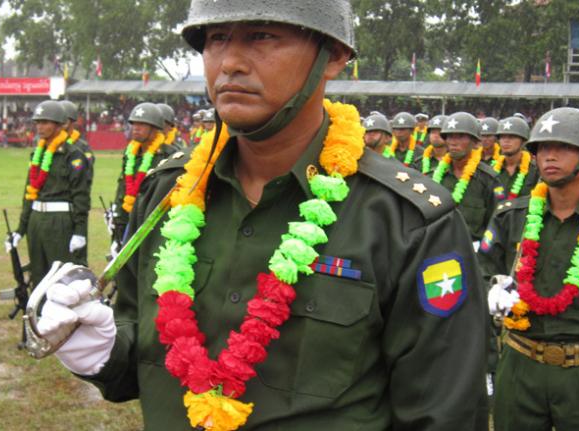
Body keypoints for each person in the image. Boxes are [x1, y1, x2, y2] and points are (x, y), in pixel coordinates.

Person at [35, 1, 488, 429]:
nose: (230, 62)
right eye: (216, 39)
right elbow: (143, 355)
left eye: (262, 35)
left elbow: (442, 413)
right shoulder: (169, 193)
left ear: (332, 56)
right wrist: (98, 349)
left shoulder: (405, 221)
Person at [479, 107, 579, 431]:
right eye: (543, 148)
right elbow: (481, 272)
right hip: (519, 365)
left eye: (563, 147)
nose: (549, 156)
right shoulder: (510, 217)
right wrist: (490, 289)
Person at [5, 101, 90, 287]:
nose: (40, 127)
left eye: (45, 122)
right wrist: (20, 229)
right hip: (36, 219)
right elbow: (29, 193)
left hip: (59, 221)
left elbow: (81, 196)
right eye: (37, 122)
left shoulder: (73, 155)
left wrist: (80, 231)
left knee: (61, 277)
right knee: (38, 274)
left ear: (59, 125)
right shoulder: (38, 154)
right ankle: (40, 307)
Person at [109, 102, 173, 252]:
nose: (135, 128)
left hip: (154, 225)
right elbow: (124, 187)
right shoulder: (130, 154)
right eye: (134, 124)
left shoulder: (169, 155)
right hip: (128, 221)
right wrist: (117, 219)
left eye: (142, 124)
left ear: (155, 128)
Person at [432, 111, 502, 243]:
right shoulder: (434, 176)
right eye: (450, 137)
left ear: (475, 142)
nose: (454, 142)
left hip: (473, 249)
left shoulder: (489, 179)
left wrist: (484, 252)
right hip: (438, 245)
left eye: (460, 137)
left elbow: (496, 223)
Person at [61, 100, 94, 264]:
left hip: (75, 206)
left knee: (77, 257)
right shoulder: (49, 147)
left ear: (71, 121)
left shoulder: (82, 148)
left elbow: (85, 181)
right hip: (56, 211)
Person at [491, 116, 538, 199]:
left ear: (523, 141)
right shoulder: (491, 171)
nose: (506, 141)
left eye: (512, 137)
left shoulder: (535, 171)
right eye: (502, 137)